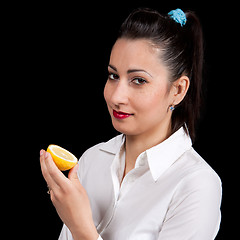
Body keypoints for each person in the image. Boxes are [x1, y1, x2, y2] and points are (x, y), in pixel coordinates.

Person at [40, 8, 222, 240]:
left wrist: (81, 228)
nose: (116, 97)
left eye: (138, 80)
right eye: (113, 76)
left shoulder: (197, 184)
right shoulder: (91, 160)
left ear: (177, 90)